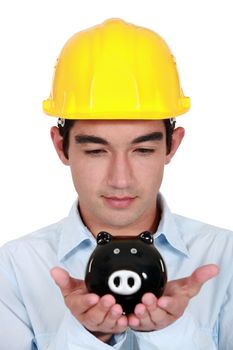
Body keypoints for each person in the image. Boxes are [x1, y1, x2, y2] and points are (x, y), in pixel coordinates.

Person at [0, 18, 232, 350]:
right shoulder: (14, 270)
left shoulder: (225, 259)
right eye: (96, 150)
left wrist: (170, 334)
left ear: (172, 145)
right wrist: (88, 337)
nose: (120, 179)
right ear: (60, 146)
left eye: (143, 150)